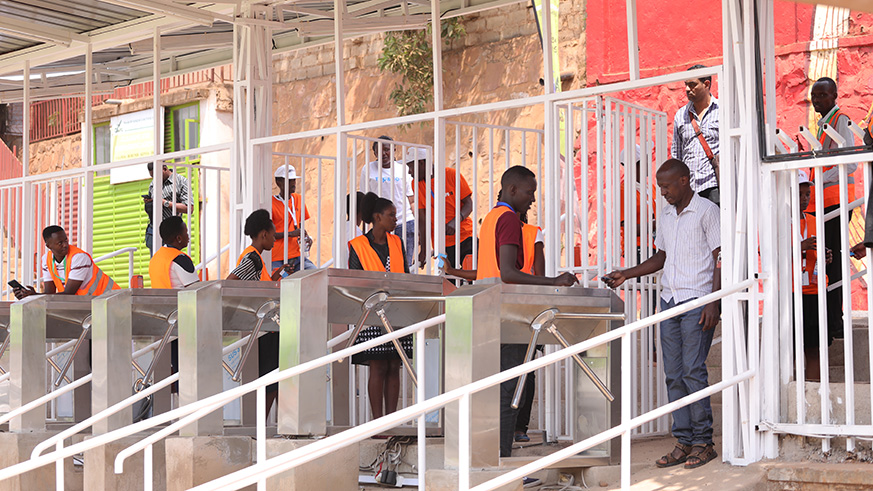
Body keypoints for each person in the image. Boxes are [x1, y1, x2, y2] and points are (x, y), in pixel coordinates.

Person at [603, 159, 720, 470]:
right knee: (673, 373)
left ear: (684, 181)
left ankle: (703, 442)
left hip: (697, 300)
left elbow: (720, 256)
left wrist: (714, 301)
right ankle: (683, 440)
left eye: (667, 186)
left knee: (693, 371)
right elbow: (661, 256)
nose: (663, 191)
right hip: (668, 300)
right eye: (660, 186)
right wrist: (626, 274)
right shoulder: (666, 214)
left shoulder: (708, 212)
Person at [476, 166, 578, 459]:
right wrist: (553, 282)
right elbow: (508, 272)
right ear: (512, 190)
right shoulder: (508, 219)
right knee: (510, 391)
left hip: (488, 310)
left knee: (497, 389)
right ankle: (502, 457)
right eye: (529, 193)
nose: (532, 199)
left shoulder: (491, 218)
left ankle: (491, 455)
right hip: (508, 313)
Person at [347, 192, 411, 419]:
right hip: (372, 312)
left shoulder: (397, 241)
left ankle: (391, 420)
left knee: (395, 366)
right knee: (378, 366)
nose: (395, 219)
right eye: (391, 215)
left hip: (397, 311)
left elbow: (405, 273)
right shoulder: (358, 245)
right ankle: (377, 421)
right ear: (377, 217)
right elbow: (355, 280)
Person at [227, 209, 293, 417]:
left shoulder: (257, 259)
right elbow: (230, 283)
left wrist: (274, 277)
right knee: (269, 381)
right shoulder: (251, 258)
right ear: (263, 234)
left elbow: (259, 287)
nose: (275, 239)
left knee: (272, 381)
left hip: (268, 327)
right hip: (264, 329)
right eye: (274, 235)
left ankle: (260, 424)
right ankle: (259, 425)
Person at [806, 77, 857, 341]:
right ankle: (828, 320)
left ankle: (835, 324)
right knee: (823, 262)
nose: (816, 100)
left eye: (822, 95)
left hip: (836, 202)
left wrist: (817, 177)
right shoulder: (823, 124)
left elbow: (850, 164)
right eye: (814, 95)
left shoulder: (840, 121)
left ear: (835, 95)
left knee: (833, 262)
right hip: (822, 204)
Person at [149, 216, 200, 400]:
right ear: (178, 238)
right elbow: (195, 290)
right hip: (185, 319)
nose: (188, 236)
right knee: (188, 369)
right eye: (186, 232)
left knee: (174, 367)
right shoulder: (180, 259)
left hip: (165, 319)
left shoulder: (156, 259)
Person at [405, 147, 474, 268]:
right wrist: (425, 251)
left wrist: (455, 222)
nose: (409, 172)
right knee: (448, 280)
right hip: (441, 245)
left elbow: (468, 204)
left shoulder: (451, 174)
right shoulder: (416, 184)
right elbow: (422, 217)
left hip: (465, 237)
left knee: (471, 276)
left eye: (410, 167)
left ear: (421, 163)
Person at [796, 170, 834, 381]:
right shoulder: (779, 220)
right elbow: (768, 252)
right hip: (792, 292)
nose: (804, 199)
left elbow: (816, 248)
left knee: (814, 349)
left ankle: (811, 397)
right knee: (790, 350)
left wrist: (824, 255)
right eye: (800, 194)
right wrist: (799, 246)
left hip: (815, 290)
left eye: (807, 194)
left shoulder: (813, 219)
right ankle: (791, 397)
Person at [13, 225, 121, 299]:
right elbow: (50, 293)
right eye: (60, 243)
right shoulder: (46, 260)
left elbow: (69, 294)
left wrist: (35, 296)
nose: (65, 245)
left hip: (112, 299)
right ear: (48, 246)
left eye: (66, 240)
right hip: (93, 302)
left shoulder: (79, 258)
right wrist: (29, 296)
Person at [360, 136, 416, 267]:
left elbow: (411, 198)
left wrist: (416, 224)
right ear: (374, 153)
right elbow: (365, 199)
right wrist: (365, 227)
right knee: (382, 264)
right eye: (379, 150)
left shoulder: (403, 169)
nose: (383, 153)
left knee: (404, 264)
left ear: (394, 149)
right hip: (381, 224)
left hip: (404, 222)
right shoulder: (368, 169)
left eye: (387, 149)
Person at [671, 64, 720, 205]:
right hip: (689, 189)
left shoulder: (722, 110)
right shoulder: (681, 115)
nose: (687, 89)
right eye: (686, 84)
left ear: (706, 84)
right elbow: (677, 155)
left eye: (692, 84)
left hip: (714, 185)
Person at [272, 165, 315, 276]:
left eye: (294, 179)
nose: (293, 183)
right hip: (277, 257)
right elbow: (269, 235)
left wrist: (306, 237)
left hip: (296, 256)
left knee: (315, 275)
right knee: (280, 285)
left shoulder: (298, 199)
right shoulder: (271, 203)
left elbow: (299, 227)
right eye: (289, 180)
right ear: (279, 182)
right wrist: (291, 234)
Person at [143, 162, 191, 256]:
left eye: (157, 175)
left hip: (171, 232)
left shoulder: (181, 181)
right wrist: (149, 203)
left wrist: (165, 203)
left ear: (164, 168)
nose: (155, 179)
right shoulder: (153, 185)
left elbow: (188, 208)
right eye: (152, 176)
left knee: (171, 263)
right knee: (157, 265)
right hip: (153, 231)